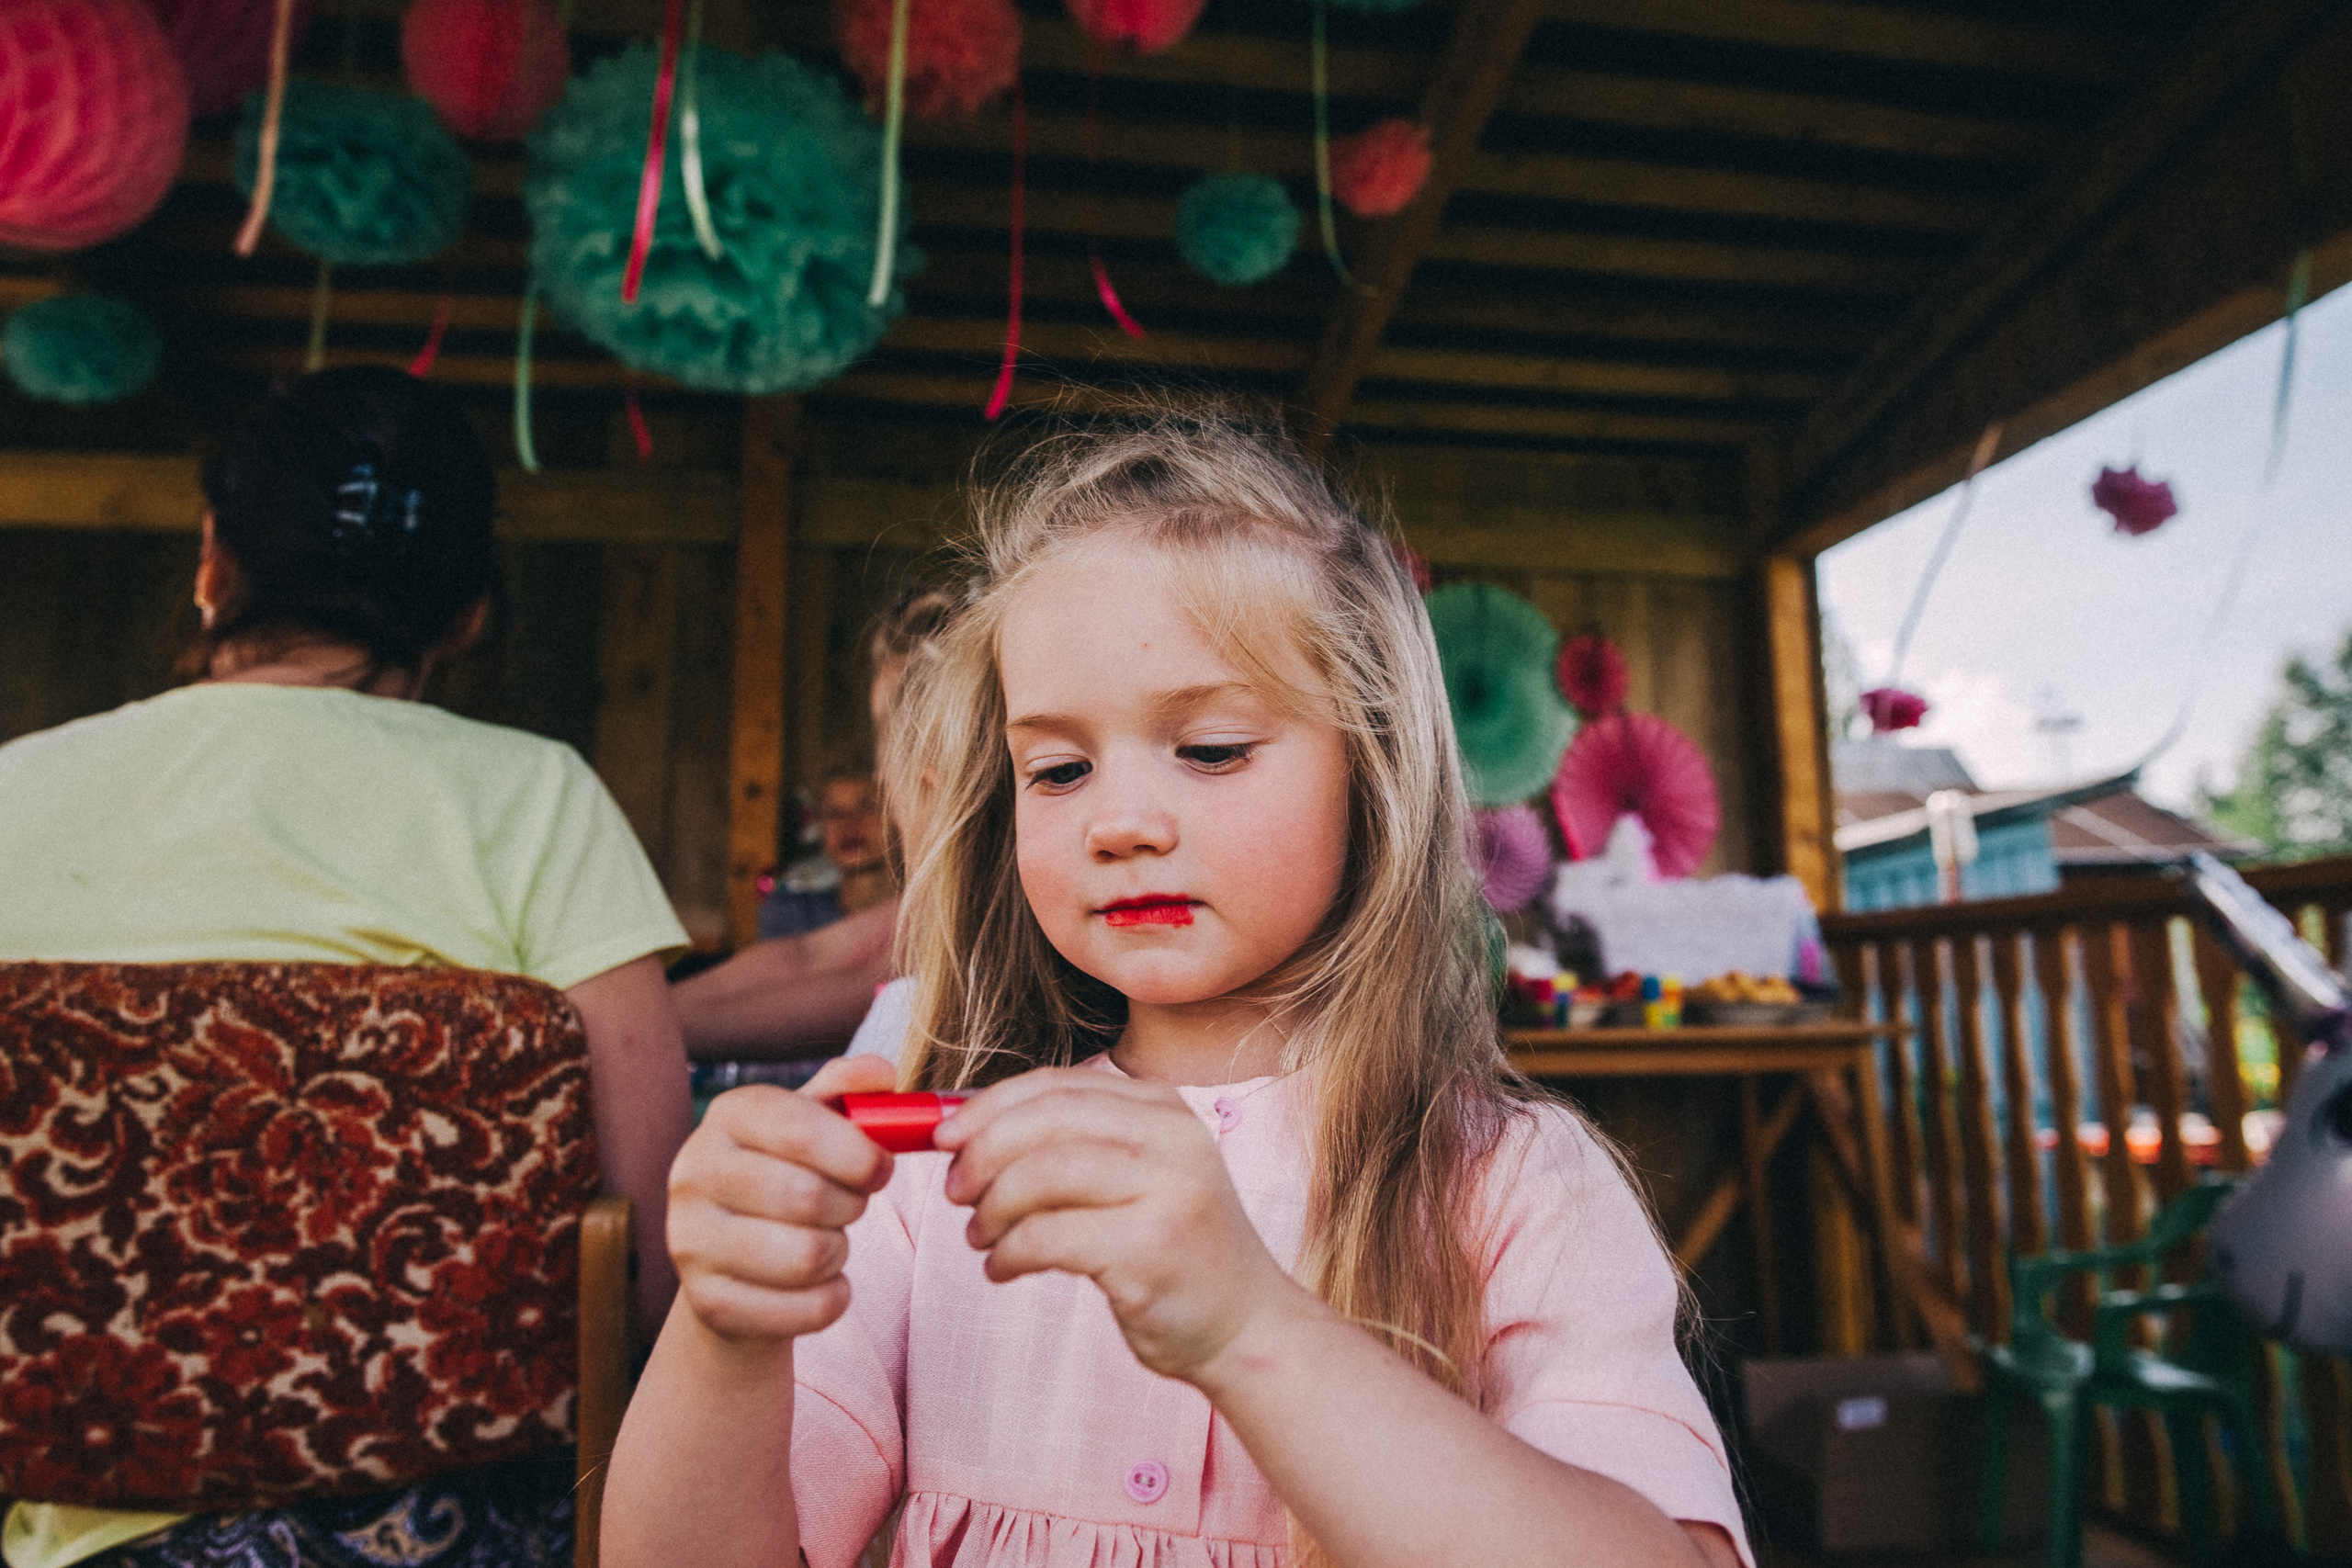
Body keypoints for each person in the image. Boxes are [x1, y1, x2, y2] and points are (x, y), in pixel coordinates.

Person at [603, 406, 1752, 1568]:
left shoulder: (1510, 1183)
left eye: (1209, 750)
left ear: (1377, 773)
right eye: (1057, 769)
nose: (1120, 822)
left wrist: (1250, 1325)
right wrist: (726, 1328)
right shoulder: (925, 1175)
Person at [0, 367, 693, 1568]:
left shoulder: (16, 790)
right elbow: (648, 1251)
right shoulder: (537, 799)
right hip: (473, 1534)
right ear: (471, 610)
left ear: (214, 562)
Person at [671, 588, 958, 1064]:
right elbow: (807, 956)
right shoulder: (933, 895)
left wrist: (630, 1032)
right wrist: (635, 1016)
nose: (885, 773)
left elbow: (871, 984)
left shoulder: (998, 886)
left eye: (893, 735)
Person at [754, 756, 894, 942]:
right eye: (834, 813)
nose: (848, 824)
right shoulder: (792, 913)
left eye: (867, 807)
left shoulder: (929, 917)